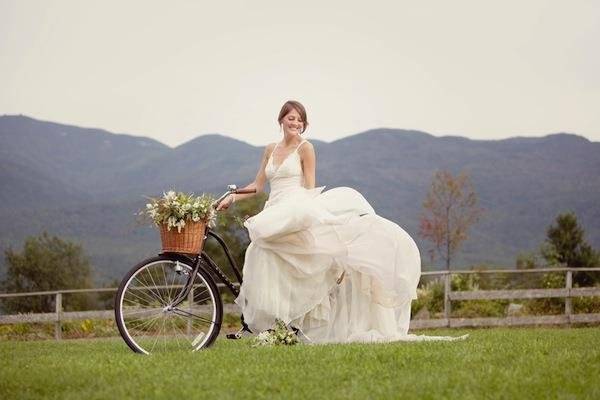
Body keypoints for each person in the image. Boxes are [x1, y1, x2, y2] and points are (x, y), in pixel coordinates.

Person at [217, 100, 466, 343]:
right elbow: (258, 186)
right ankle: (270, 324)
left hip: (294, 208)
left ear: (304, 125)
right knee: (261, 256)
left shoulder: (305, 148)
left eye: (300, 120)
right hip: (273, 211)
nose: (295, 123)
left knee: (300, 266)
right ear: (281, 119)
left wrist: (302, 214)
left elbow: (310, 186)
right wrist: (233, 196)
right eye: (291, 118)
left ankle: (295, 324)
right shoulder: (270, 149)